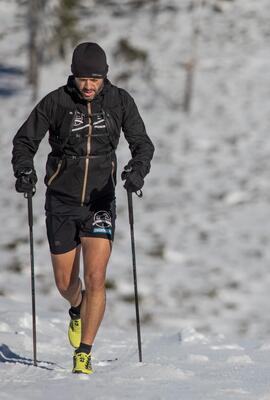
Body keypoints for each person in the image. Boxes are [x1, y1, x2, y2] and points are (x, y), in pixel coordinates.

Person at [12, 42, 154, 374]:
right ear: (73, 76)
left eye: (95, 79)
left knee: (96, 276)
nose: (88, 85)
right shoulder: (56, 102)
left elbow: (142, 144)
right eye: (82, 78)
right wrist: (24, 171)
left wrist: (137, 171)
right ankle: (76, 307)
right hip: (61, 201)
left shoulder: (120, 101)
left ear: (104, 77)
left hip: (99, 201)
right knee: (66, 282)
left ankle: (84, 353)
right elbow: (24, 141)